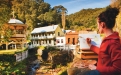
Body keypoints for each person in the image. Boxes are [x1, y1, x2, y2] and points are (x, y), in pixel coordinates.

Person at [85, 7, 121, 75]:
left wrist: (97, 69)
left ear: (102, 24)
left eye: (98, 24)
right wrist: (90, 45)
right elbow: (103, 52)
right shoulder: (108, 38)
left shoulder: (113, 43)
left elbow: (117, 69)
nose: (97, 27)